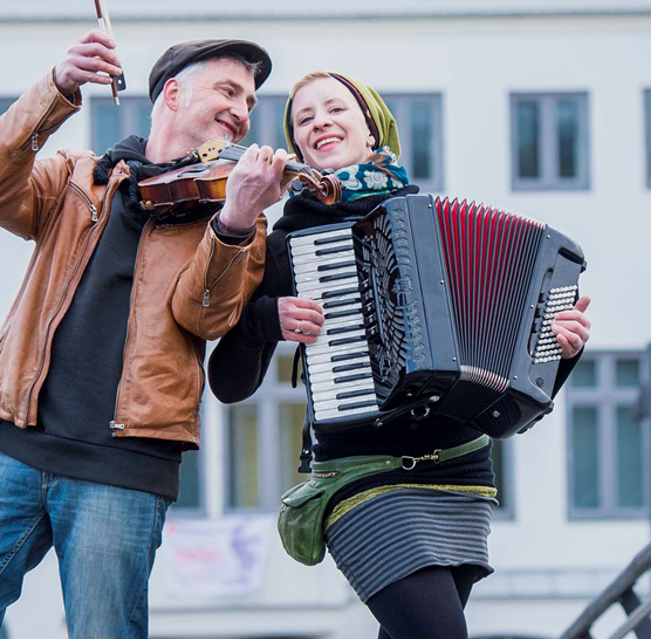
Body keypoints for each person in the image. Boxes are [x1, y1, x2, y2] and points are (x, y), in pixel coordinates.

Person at [0, 31, 291, 639]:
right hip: (15, 442)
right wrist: (57, 89)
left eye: (249, 101)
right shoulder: (76, 179)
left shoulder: (234, 218)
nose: (242, 111)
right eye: (228, 90)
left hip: (125, 462)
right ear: (172, 93)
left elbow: (205, 316)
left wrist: (237, 221)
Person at [208, 71, 592, 639]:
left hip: (460, 473)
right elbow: (229, 384)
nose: (319, 122)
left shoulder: (424, 220)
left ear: (371, 128)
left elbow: (513, 394)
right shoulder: (285, 241)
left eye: (335, 108)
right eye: (303, 119)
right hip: (359, 476)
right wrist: (270, 319)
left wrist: (558, 350)